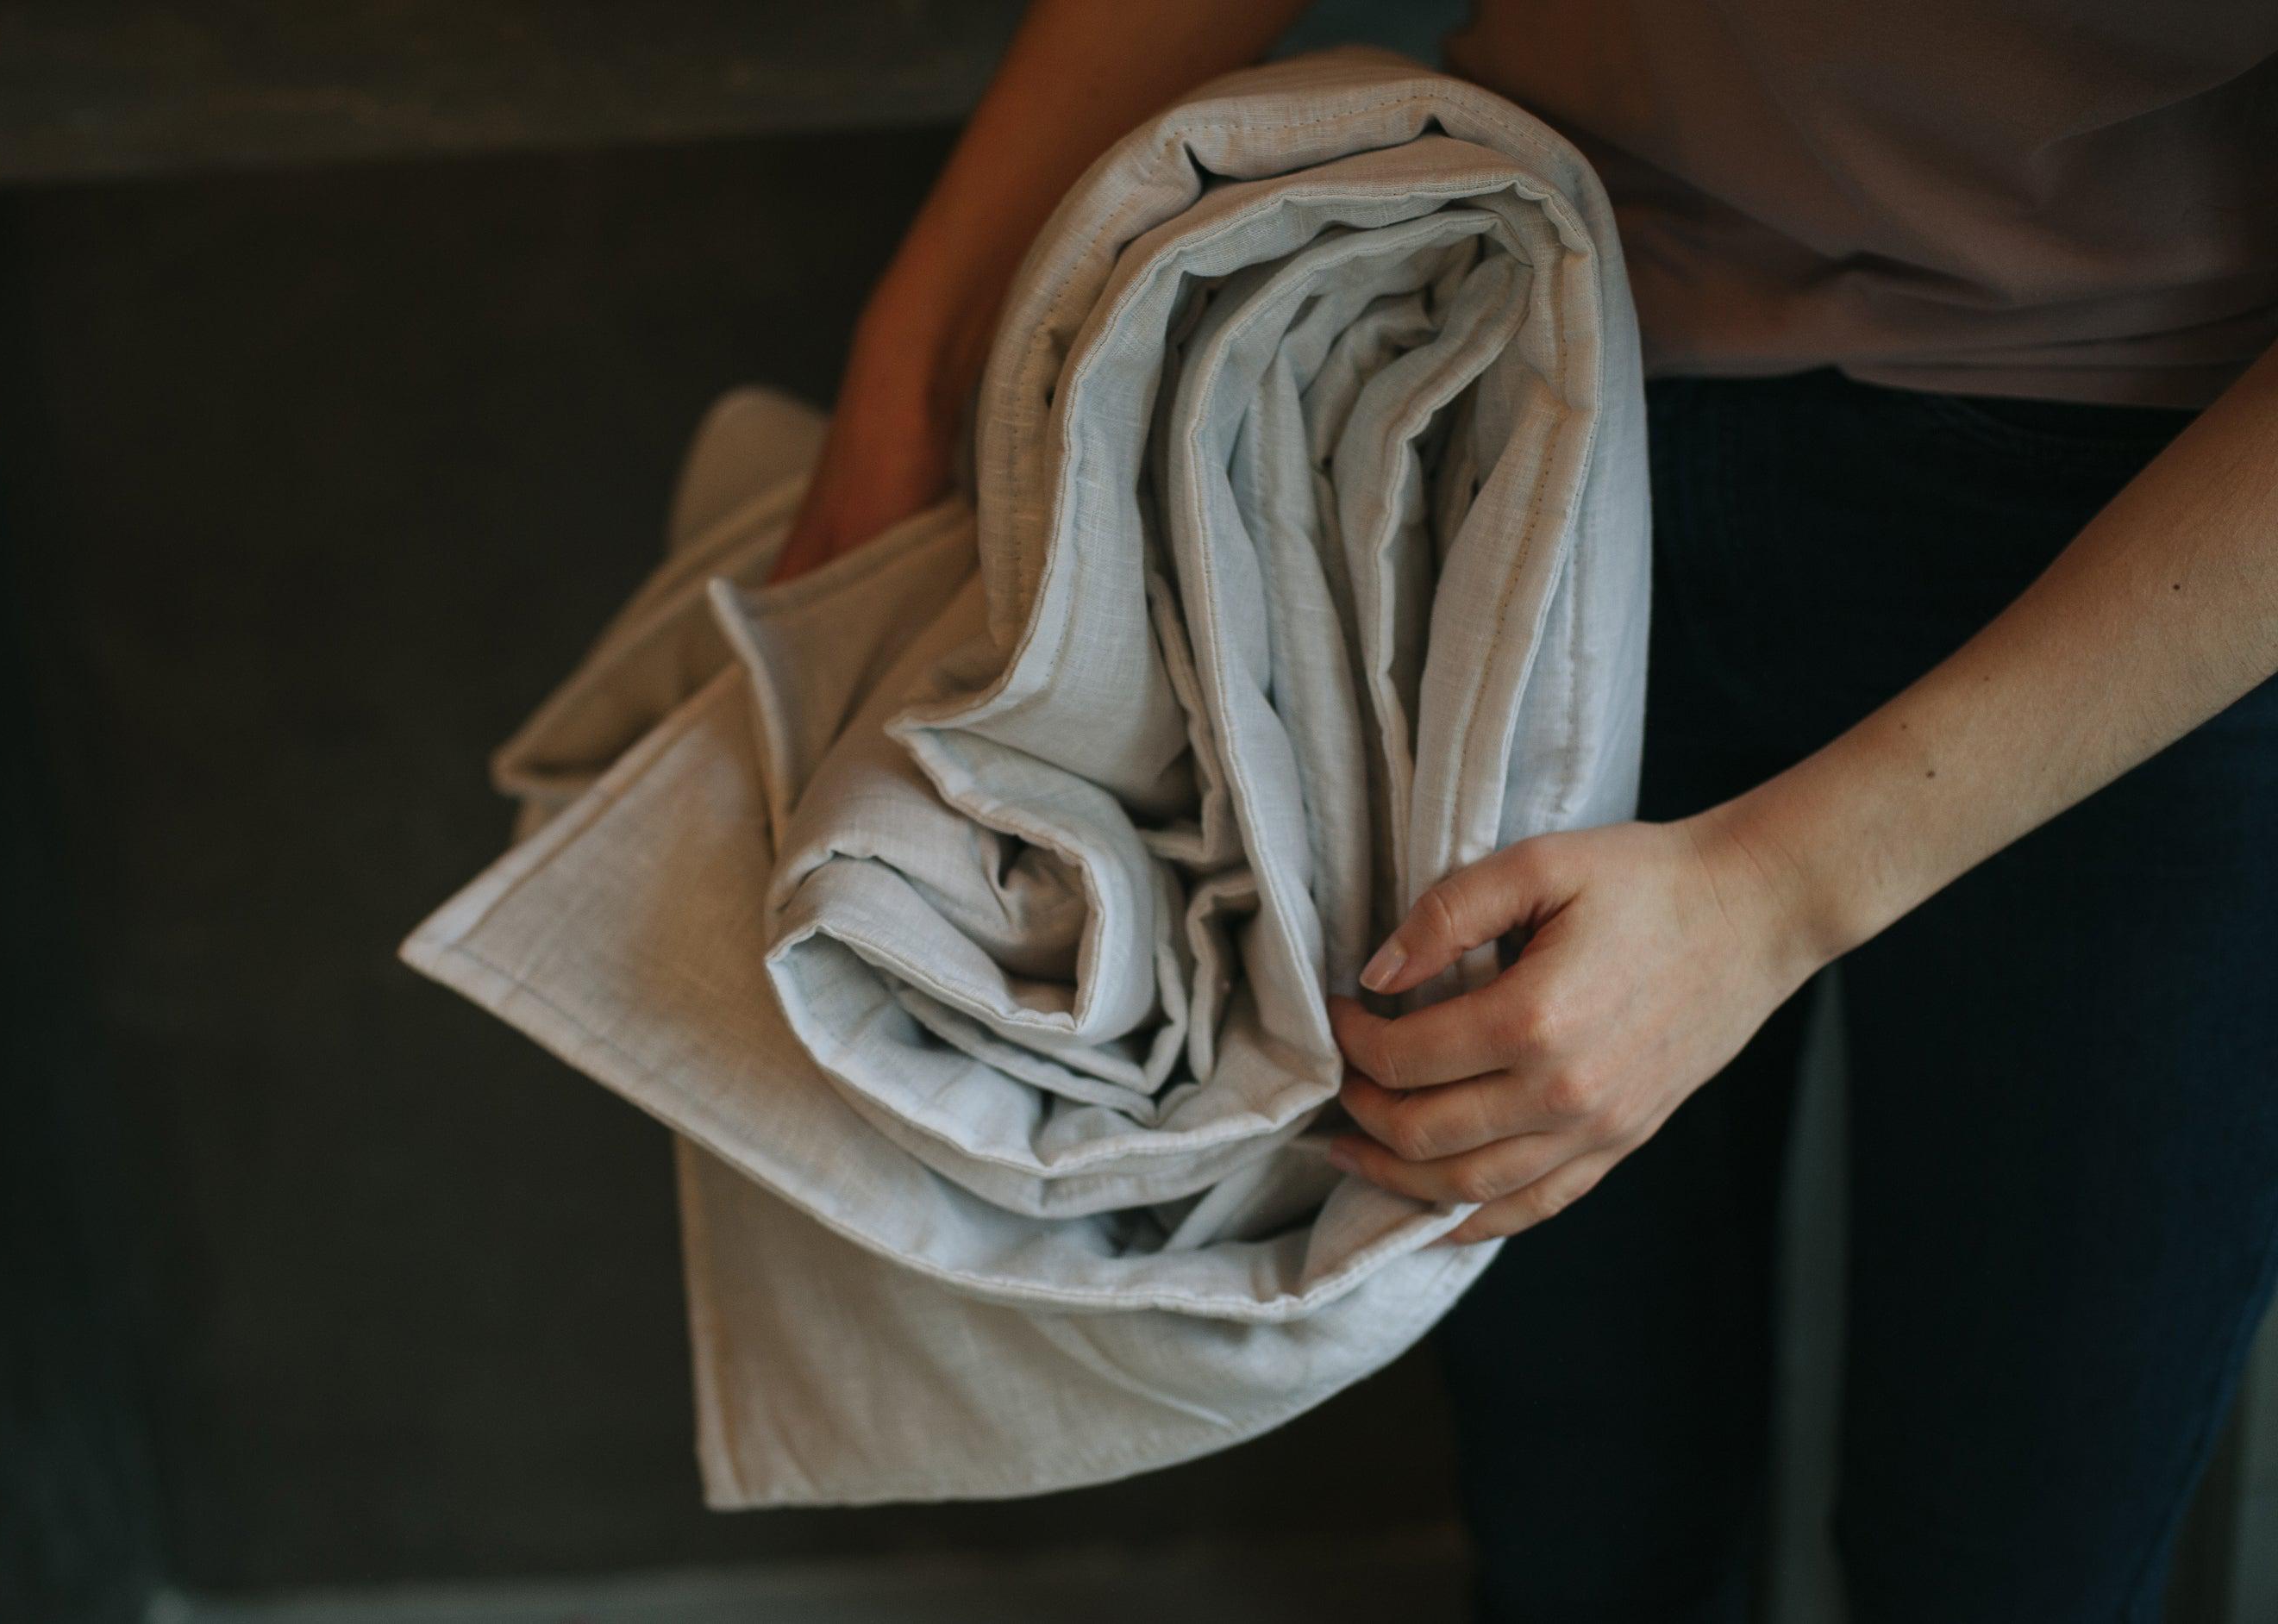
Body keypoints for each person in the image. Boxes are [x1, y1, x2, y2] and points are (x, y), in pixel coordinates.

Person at [769, 3, 2278, 1619]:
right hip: (1539, 398)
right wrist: (904, 397)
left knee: (2017, 1554)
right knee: (1577, 1516)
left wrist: (1773, 896)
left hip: (2150, 547)